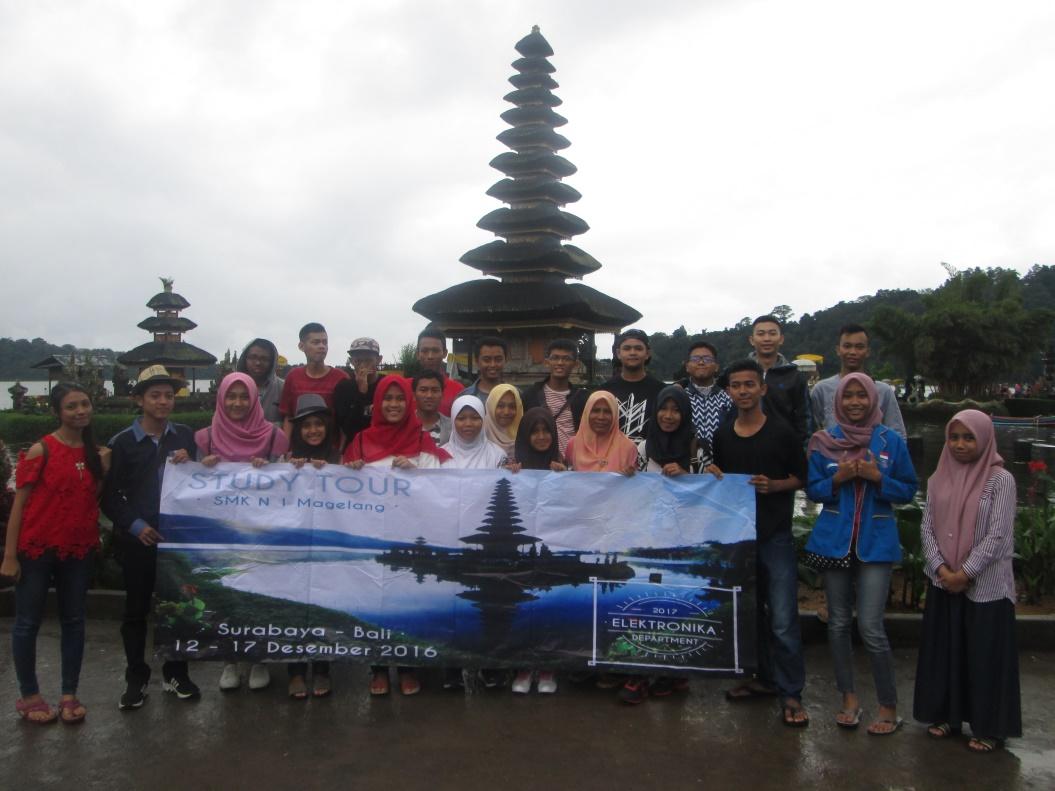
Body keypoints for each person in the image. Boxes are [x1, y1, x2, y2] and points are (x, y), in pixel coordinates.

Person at [805, 373, 918, 734]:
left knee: (871, 626)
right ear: (838, 401)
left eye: (861, 396)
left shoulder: (892, 442)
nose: (855, 402)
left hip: (876, 543)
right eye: (848, 396)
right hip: (835, 540)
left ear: (874, 400)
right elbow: (814, 489)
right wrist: (836, 480)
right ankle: (848, 698)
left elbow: (908, 491)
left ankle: (888, 706)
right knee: (837, 623)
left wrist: (877, 478)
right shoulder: (824, 441)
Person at [708, 359, 809, 727]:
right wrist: (713, 473)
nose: (743, 391)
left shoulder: (782, 433)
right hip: (740, 536)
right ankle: (763, 679)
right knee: (750, 613)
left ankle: (792, 693)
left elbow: (803, 478)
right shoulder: (723, 435)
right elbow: (721, 477)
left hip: (775, 535)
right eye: (736, 386)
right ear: (729, 392)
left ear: (762, 388)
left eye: (750, 384)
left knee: (783, 619)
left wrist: (776, 485)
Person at [913, 410, 1021, 753]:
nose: (960, 445)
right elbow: (927, 527)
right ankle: (946, 715)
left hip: (986, 587)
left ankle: (990, 726)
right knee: (947, 652)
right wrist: (942, 569)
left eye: (968, 437)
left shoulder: (1000, 480)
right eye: (954, 437)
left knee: (985, 656)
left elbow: (999, 535)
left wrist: (965, 573)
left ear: (985, 439)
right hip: (944, 581)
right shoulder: (937, 477)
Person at [3, 383, 110, 724]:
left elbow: (92, 499)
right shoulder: (41, 450)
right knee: (27, 623)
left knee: (75, 621)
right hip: (37, 549)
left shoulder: (96, 454)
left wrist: (104, 470)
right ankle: (29, 695)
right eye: (71, 406)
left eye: (85, 404)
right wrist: (9, 555)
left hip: (78, 549)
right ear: (57, 412)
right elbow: (19, 506)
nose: (81, 411)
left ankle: (69, 693)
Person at [343, 375, 451, 697]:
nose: (393, 405)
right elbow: (342, 491)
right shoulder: (361, 441)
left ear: (409, 402)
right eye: (387, 398)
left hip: (411, 538)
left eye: (399, 398)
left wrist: (417, 474)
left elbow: (443, 487)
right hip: (372, 538)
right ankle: (377, 667)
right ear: (377, 403)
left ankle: (408, 666)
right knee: (374, 602)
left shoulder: (422, 442)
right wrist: (351, 470)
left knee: (406, 602)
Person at [103, 365, 201, 709]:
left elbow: (202, 480)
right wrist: (135, 525)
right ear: (139, 399)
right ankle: (136, 676)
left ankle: (176, 671)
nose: (163, 402)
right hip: (139, 539)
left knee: (177, 606)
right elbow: (110, 496)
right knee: (135, 610)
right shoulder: (123, 443)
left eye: (169, 396)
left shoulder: (185, 436)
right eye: (155, 395)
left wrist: (194, 462)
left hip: (175, 539)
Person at [192, 372, 290, 692]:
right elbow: (192, 487)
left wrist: (273, 469)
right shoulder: (205, 438)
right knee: (226, 591)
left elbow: (287, 483)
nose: (237, 403)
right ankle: (230, 659)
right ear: (221, 398)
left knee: (258, 591)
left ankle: (258, 657)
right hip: (221, 529)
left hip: (261, 529)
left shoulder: (274, 436)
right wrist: (198, 466)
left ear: (253, 399)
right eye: (231, 396)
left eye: (243, 396)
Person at [619, 386, 696, 704]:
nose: (668, 416)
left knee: (674, 605)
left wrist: (688, 474)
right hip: (645, 539)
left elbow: (711, 487)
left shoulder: (695, 447)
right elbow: (628, 489)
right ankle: (638, 672)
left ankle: (671, 671)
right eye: (663, 409)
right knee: (642, 602)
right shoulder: (642, 447)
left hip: (682, 541)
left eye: (675, 410)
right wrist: (626, 475)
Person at [284, 394, 339, 698]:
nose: (313, 431)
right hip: (295, 548)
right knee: (294, 606)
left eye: (319, 424)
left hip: (327, 548)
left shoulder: (337, 459)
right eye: (307, 426)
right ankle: (294, 671)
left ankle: (321, 669)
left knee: (323, 605)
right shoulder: (286, 461)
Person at [508, 407, 566, 695]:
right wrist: (510, 475)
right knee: (522, 608)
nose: (542, 437)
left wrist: (565, 476)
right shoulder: (512, 466)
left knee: (548, 608)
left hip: (550, 551)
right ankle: (521, 667)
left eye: (547, 431)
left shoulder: (563, 465)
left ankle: (547, 668)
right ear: (525, 435)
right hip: (521, 553)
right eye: (535, 431)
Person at [809, 324, 906, 439]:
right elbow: (810, 431)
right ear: (838, 350)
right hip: (834, 454)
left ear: (868, 351)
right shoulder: (821, 390)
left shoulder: (884, 391)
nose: (853, 352)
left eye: (859, 347)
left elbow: (898, 434)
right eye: (847, 346)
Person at [747, 315, 810, 446]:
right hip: (746, 446)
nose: (767, 339)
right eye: (761, 334)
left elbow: (805, 418)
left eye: (772, 333)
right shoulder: (739, 373)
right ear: (752, 340)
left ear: (781, 339)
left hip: (785, 449)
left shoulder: (794, 376)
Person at [520, 338, 588, 457]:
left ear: (576, 364)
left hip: (573, 463)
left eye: (566, 359)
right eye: (555, 358)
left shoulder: (582, 399)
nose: (560, 363)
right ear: (547, 362)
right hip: (540, 463)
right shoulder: (530, 395)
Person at [279, 323, 349, 438]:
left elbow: (344, 421)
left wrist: (340, 453)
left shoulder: (341, 378)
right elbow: (289, 416)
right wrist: (285, 448)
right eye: (316, 342)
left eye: (325, 342)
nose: (322, 346)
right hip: (298, 451)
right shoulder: (293, 377)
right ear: (301, 346)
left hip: (331, 451)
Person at [675, 340, 733, 470]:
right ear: (687, 366)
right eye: (695, 359)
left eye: (707, 359)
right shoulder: (678, 399)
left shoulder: (729, 399)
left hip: (722, 470)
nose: (701, 362)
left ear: (716, 366)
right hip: (684, 471)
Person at [602, 329, 666, 444]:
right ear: (618, 353)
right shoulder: (604, 391)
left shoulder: (662, 391)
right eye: (627, 348)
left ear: (647, 354)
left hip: (650, 457)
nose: (632, 352)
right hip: (611, 458)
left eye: (638, 348)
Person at [565, 391, 637, 475]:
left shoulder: (628, 447)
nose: (601, 417)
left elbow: (633, 484)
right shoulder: (574, 444)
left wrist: (630, 474)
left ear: (615, 414)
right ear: (587, 412)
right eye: (595, 411)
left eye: (607, 412)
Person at [332, 337, 383, 448]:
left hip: (383, 446)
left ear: (379, 360)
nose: (363, 365)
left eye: (368, 360)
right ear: (351, 361)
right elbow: (347, 429)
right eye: (358, 361)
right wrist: (361, 393)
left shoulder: (387, 384)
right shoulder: (343, 388)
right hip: (354, 448)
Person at [441, 394, 507, 470]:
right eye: (461, 418)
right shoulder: (440, 455)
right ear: (453, 421)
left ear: (483, 420)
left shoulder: (497, 455)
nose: (468, 424)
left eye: (475, 418)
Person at [415, 327, 464, 416]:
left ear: (445, 353)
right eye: (425, 351)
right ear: (417, 354)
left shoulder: (457, 390)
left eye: (435, 351)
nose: (430, 356)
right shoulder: (405, 388)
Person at [236, 338, 284, 424]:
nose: (258, 363)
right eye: (253, 357)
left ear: (272, 362)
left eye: (264, 359)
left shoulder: (282, 387)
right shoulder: (234, 385)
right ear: (244, 359)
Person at [482, 384, 524, 461]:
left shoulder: (526, 434)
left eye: (512, 406)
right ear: (491, 406)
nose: (506, 412)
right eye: (500, 406)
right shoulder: (479, 433)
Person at [462, 336, 508, 405]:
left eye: (498, 359)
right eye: (486, 360)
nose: (493, 365)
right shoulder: (464, 397)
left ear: (506, 360)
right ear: (477, 361)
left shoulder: (517, 395)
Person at [413, 369, 451, 447]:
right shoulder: (403, 425)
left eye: (435, 390)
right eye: (423, 390)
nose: (429, 395)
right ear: (414, 395)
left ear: (442, 394)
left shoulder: (453, 427)